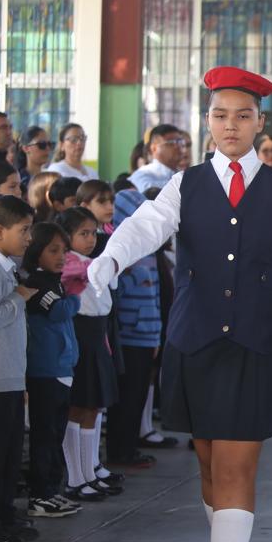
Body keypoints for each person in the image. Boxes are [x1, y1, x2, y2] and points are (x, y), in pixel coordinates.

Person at [88, 67, 272, 542]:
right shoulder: (185, 184)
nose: (230, 125)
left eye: (243, 115)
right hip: (196, 343)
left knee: (236, 468)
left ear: (261, 123)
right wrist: (108, 262)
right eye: (220, 115)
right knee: (210, 470)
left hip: (256, 344)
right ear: (207, 122)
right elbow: (146, 228)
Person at [57, 207, 122, 499]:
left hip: (97, 339)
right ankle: (75, 478)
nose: (90, 239)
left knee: (93, 408)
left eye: (92, 233)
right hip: (80, 338)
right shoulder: (69, 264)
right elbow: (76, 274)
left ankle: (88, 472)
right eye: (82, 233)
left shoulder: (92, 262)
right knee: (78, 407)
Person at [21, 221, 84, 514]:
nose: (61, 256)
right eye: (53, 250)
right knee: (44, 435)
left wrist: (69, 292)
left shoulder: (55, 281)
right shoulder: (37, 282)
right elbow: (58, 311)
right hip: (44, 371)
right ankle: (39, 495)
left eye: (64, 251)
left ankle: (52, 489)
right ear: (36, 252)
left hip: (62, 368)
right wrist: (74, 296)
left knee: (56, 434)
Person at [0, 198, 49, 542]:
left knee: (10, 454)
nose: (29, 238)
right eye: (23, 230)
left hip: (13, 376)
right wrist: (18, 296)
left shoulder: (9, 267)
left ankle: (5, 515)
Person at [102, 189, 165, 467]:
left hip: (148, 334)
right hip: (129, 335)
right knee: (126, 396)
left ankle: (129, 446)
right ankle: (120, 451)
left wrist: (156, 333)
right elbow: (116, 289)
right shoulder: (122, 249)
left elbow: (156, 295)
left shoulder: (149, 250)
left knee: (138, 394)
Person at [128, 124, 186, 195]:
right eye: (171, 143)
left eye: (179, 141)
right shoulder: (142, 175)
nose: (178, 146)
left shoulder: (184, 174)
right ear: (154, 148)